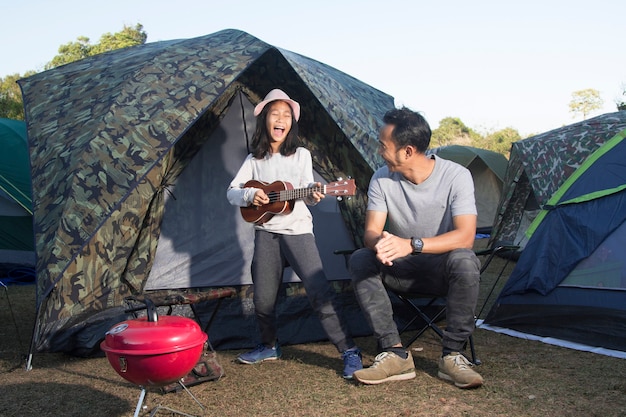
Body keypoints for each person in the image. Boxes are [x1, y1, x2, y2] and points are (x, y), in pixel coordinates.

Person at [226, 88, 362, 379]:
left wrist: (314, 194)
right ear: (264, 120)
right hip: (265, 233)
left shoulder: (301, 155)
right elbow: (231, 193)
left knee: (319, 292)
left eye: (286, 115)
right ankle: (269, 345)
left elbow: (306, 188)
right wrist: (251, 194)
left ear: (291, 124)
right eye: (275, 114)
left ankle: (349, 350)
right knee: (263, 300)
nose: (280, 119)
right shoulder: (253, 160)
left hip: (297, 232)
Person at [350, 106, 483, 389]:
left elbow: (466, 236)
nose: (379, 151)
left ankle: (453, 356)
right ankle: (394, 352)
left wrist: (411, 244)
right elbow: (371, 232)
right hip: (400, 269)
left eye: (383, 146)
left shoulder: (456, 176)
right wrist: (382, 244)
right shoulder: (381, 178)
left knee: (465, 259)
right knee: (361, 258)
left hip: (442, 270)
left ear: (407, 151)